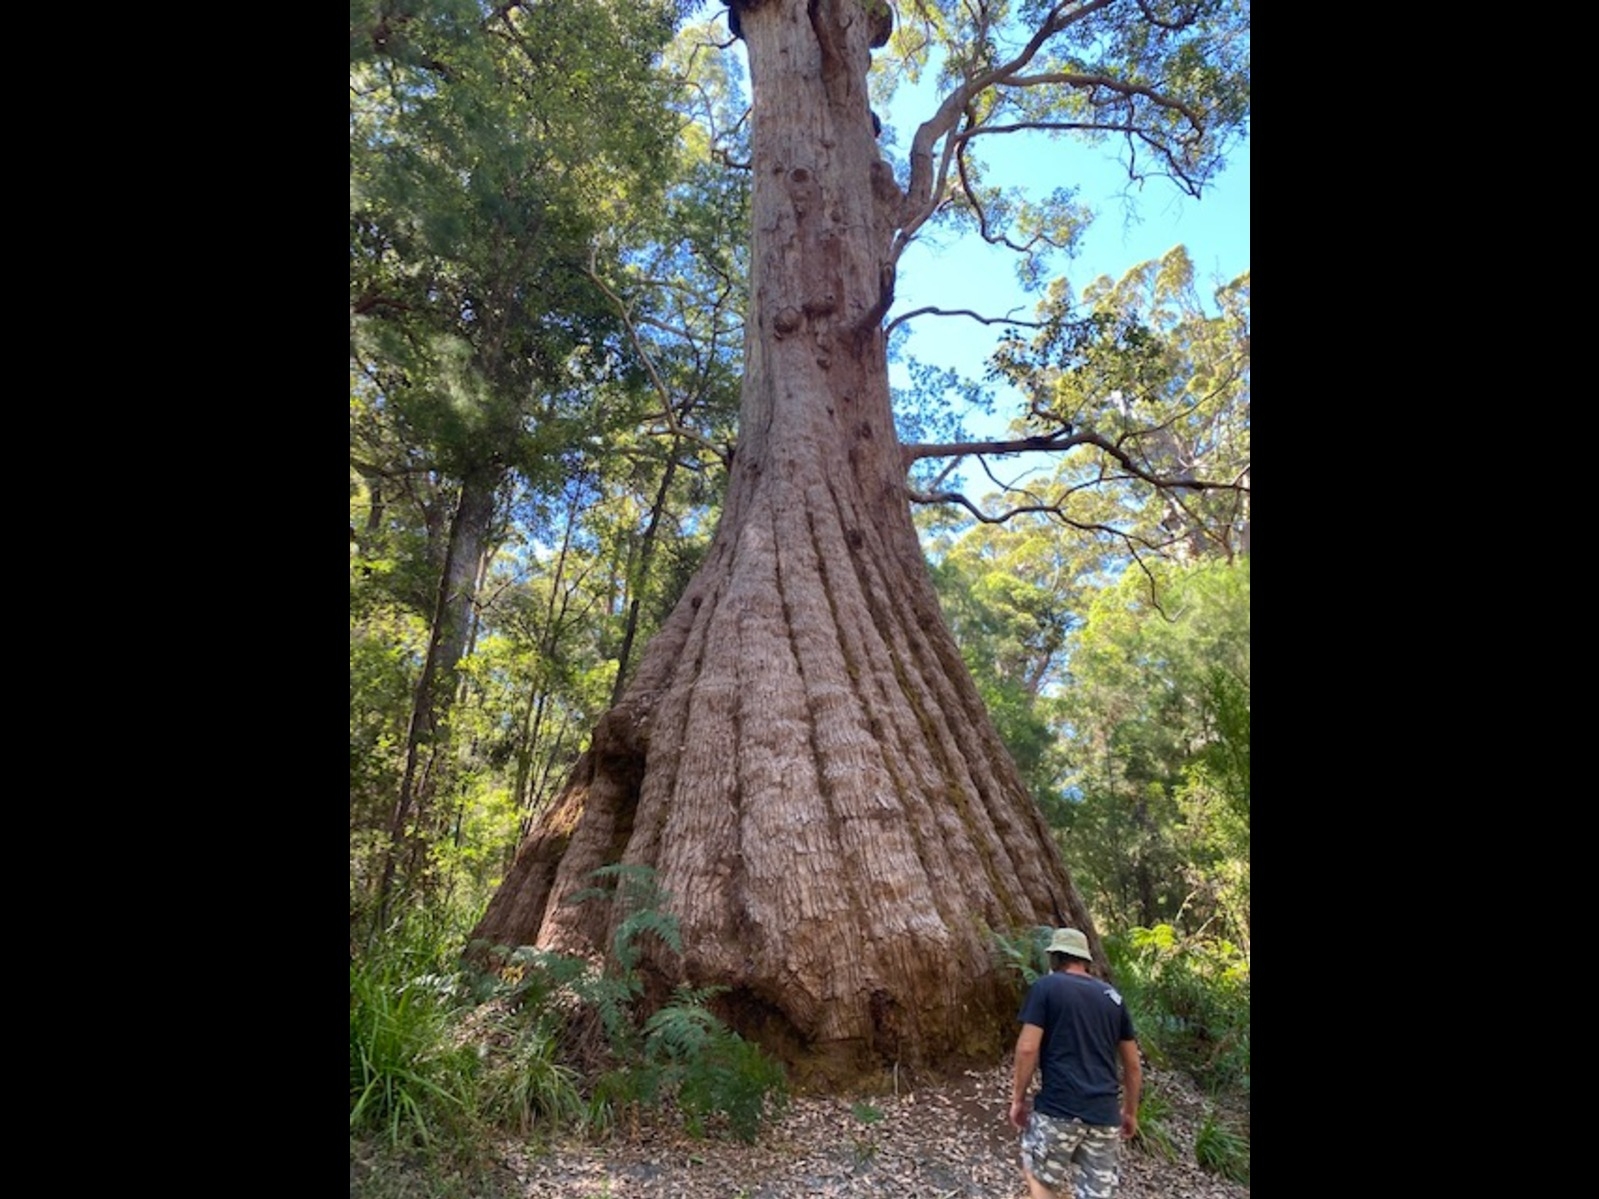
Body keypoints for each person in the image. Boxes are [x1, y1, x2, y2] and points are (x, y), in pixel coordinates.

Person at [1008, 927, 1141, 1199]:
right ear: (1085, 960)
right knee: (1096, 1193)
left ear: (1054, 958)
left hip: (1058, 1110)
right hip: (1104, 1116)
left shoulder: (1046, 988)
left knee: (1039, 1176)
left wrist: (1018, 1100)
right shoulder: (1112, 998)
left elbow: (1027, 1048)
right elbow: (1132, 1064)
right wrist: (1129, 1112)